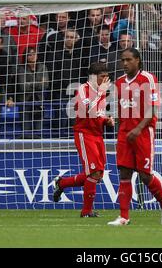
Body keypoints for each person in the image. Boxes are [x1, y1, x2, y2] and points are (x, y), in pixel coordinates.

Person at [108, 48, 162, 226]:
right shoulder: (119, 82)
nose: (125, 63)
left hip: (143, 133)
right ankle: (124, 216)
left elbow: (154, 107)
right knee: (124, 173)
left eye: (128, 60)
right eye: (123, 60)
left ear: (138, 60)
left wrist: (138, 128)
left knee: (145, 176)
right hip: (124, 134)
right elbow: (120, 108)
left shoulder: (148, 79)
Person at [53, 62, 115, 217]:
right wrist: (101, 93)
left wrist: (106, 121)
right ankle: (86, 211)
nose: (106, 80)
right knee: (93, 173)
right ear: (93, 77)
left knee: (97, 174)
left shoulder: (102, 93)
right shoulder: (82, 89)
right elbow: (86, 110)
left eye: (107, 76)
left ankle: (62, 183)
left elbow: (97, 114)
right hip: (84, 134)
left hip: (97, 135)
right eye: (102, 76)